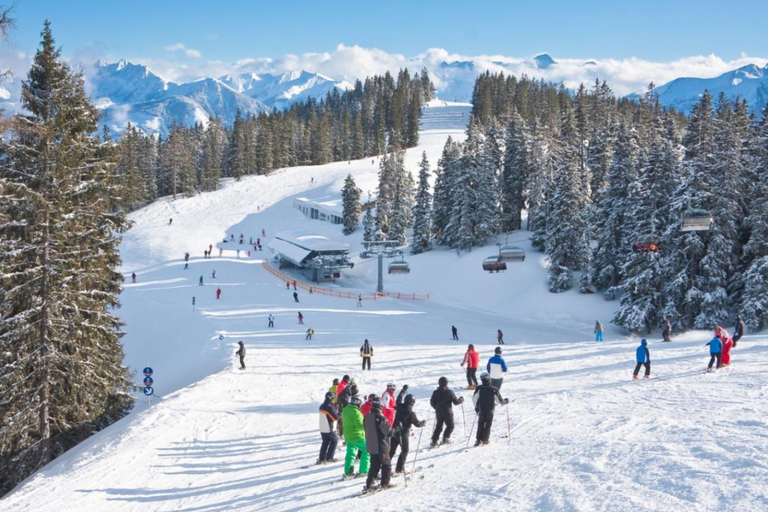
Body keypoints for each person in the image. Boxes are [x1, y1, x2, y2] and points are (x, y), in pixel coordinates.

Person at [390, 389, 425, 474]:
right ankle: (399, 469)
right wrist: (423, 423)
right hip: (403, 433)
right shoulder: (411, 413)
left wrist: (403, 390)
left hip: (394, 432)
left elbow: (398, 399)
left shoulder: (399, 406)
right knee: (404, 450)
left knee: (391, 451)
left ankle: (385, 467)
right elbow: (417, 424)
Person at [364, 398, 393, 492]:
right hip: (381, 446)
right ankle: (385, 483)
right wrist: (396, 429)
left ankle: (369, 485)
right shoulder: (381, 418)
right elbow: (388, 433)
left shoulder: (367, 416)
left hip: (371, 446)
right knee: (386, 465)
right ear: (380, 406)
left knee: (374, 466)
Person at [472, 372, 508, 446]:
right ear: (489, 379)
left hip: (481, 409)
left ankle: (478, 440)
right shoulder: (494, 389)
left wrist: (476, 407)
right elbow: (499, 401)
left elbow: (474, 399)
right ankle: (485, 440)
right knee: (488, 424)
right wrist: (505, 401)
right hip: (490, 410)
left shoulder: (479, 388)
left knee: (480, 424)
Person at [429, 377, 464, 447]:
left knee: (438, 426)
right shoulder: (449, 392)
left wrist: (436, 408)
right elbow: (456, 402)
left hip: (439, 412)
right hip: (447, 412)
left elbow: (432, 402)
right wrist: (461, 399)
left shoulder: (435, 392)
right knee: (450, 425)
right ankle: (446, 437)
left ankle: (434, 441)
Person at [342, 395, 369, 478]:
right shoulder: (356, 412)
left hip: (348, 436)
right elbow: (360, 426)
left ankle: (348, 472)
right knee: (367, 451)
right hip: (357, 436)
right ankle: (363, 471)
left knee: (350, 453)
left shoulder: (346, 409)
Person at [318, 392, 340, 464]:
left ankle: (321, 458)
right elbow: (335, 417)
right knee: (334, 441)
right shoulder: (329, 407)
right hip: (328, 427)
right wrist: (339, 413)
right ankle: (329, 457)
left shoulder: (322, 406)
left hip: (322, 427)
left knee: (325, 442)